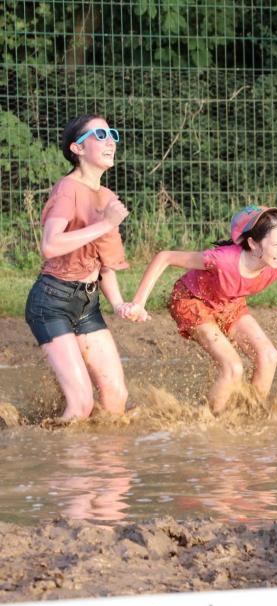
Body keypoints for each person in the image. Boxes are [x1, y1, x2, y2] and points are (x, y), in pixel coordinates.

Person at [125, 206, 277, 414]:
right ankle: (212, 424)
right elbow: (165, 257)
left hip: (229, 303)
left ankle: (247, 416)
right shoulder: (222, 260)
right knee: (233, 367)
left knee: (269, 356)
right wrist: (138, 303)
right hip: (192, 301)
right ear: (253, 243)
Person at [24, 114, 140, 422]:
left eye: (112, 134)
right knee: (81, 405)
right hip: (52, 302)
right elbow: (50, 244)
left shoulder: (107, 197)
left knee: (117, 397)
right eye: (100, 135)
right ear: (77, 148)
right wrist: (105, 223)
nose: (110, 141)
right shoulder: (67, 189)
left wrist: (119, 304)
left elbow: (106, 264)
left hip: (88, 305)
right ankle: (61, 463)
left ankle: (102, 467)